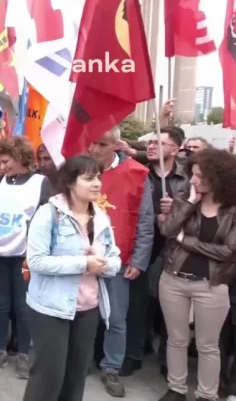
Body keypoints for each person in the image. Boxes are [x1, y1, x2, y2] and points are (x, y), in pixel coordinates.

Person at [22, 155, 122, 401]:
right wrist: (84, 264)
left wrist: (104, 262)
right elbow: (36, 261)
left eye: (98, 177)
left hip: (88, 307)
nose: (97, 183)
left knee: (77, 375)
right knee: (49, 376)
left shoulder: (101, 217)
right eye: (88, 178)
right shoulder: (48, 215)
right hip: (51, 308)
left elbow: (115, 259)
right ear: (70, 182)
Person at [157, 148, 236, 401]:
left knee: (208, 345)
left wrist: (185, 240)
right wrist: (189, 203)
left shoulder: (232, 210)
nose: (192, 180)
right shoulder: (185, 199)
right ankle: (176, 389)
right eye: (192, 174)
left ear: (217, 178)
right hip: (174, 278)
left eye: (199, 176)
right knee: (176, 339)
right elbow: (169, 230)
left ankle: (207, 395)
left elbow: (227, 251)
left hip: (212, 285)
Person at [88, 127, 154, 398]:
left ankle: (111, 366)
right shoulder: (82, 171)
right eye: (91, 143)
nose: (94, 149)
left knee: (116, 318)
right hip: (84, 258)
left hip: (118, 260)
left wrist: (139, 260)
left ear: (117, 145)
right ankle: (80, 361)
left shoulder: (137, 174)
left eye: (101, 144)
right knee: (83, 315)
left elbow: (145, 222)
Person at [0, 136, 52, 379]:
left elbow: (47, 217)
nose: (1, 166)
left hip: (25, 256)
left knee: (23, 305)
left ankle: (23, 352)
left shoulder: (41, 182)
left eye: (5, 161)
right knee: (0, 304)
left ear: (20, 158)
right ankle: (0, 349)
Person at [122, 126, 189, 377]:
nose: (151, 146)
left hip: (174, 250)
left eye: (159, 143)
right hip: (142, 248)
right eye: (150, 142)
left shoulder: (187, 176)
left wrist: (177, 208)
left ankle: (167, 360)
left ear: (175, 149)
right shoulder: (139, 173)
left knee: (169, 309)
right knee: (137, 306)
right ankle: (133, 353)